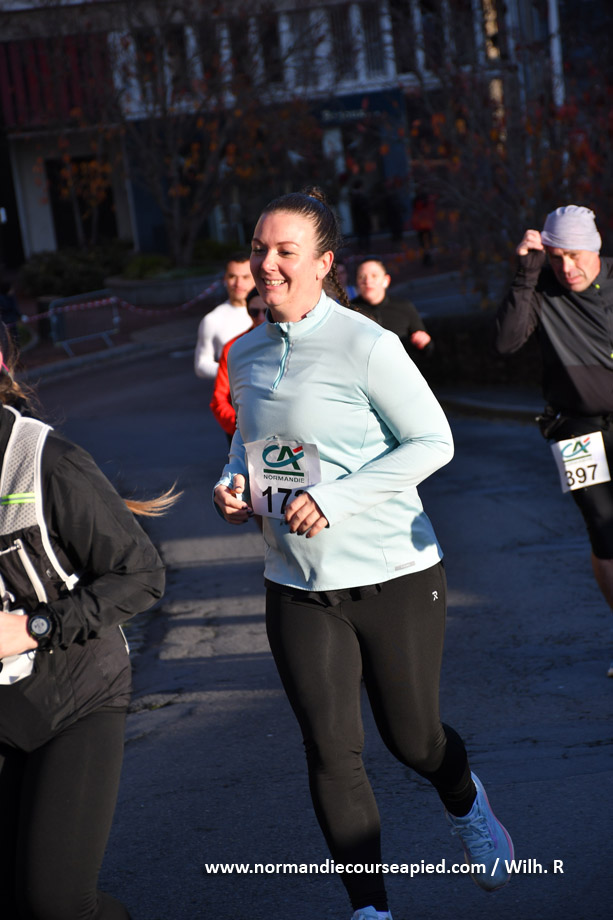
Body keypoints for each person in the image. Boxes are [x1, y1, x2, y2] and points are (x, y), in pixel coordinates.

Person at [214, 187, 513, 920]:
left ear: (323, 263)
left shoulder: (365, 344)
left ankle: (464, 799)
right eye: (259, 249)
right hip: (296, 582)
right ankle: (370, 909)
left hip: (394, 578)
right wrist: (233, 484)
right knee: (330, 750)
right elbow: (257, 443)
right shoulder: (245, 353)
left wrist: (337, 499)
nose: (267, 264)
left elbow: (433, 441)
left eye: (285, 251)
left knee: (413, 741)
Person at [0, 321, 172, 919]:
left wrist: (34, 626)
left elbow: (141, 574)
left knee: (55, 903)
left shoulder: (48, 461)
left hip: (76, 696)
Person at [496, 204, 613, 676]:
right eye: (557, 257)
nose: (567, 268)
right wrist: (526, 272)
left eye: (575, 255)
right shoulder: (540, 287)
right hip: (573, 427)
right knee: (602, 527)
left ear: (595, 248)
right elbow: (506, 342)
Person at [210, 290, 268, 443]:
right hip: (243, 435)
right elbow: (219, 398)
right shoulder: (233, 347)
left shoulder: (291, 341)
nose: (261, 317)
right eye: (254, 312)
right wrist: (238, 427)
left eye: (266, 311)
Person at [351, 257, 432, 353]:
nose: (368, 281)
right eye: (362, 277)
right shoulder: (350, 311)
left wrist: (424, 342)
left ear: (386, 280)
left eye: (374, 276)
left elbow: (428, 349)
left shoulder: (404, 307)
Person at [194, 253, 255, 379]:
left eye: (245, 277)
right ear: (224, 279)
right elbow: (201, 365)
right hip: (233, 391)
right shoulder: (213, 319)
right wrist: (234, 371)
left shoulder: (273, 311)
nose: (238, 283)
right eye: (232, 276)